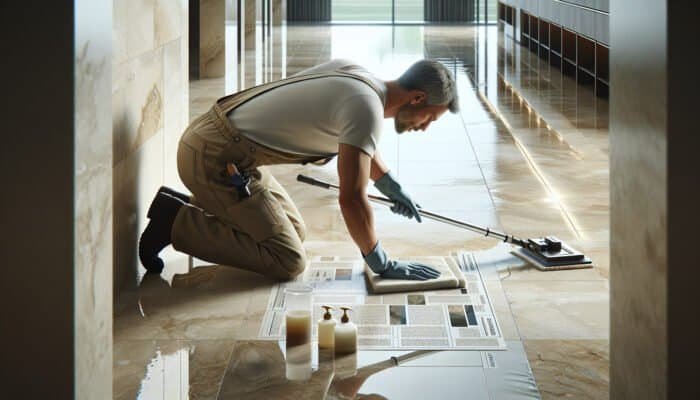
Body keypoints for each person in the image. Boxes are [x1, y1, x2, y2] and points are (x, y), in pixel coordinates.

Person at [138, 59, 459, 281]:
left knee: (295, 230)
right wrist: (380, 261)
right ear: (417, 98)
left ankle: (201, 204)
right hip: (213, 158)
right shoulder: (367, 110)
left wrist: (389, 185)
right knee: (288, 260)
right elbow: (351, 200)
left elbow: (357, 142)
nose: (426, 126)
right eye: (430, 117)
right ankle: (175, 221)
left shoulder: (359, 78)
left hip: (226, 149)